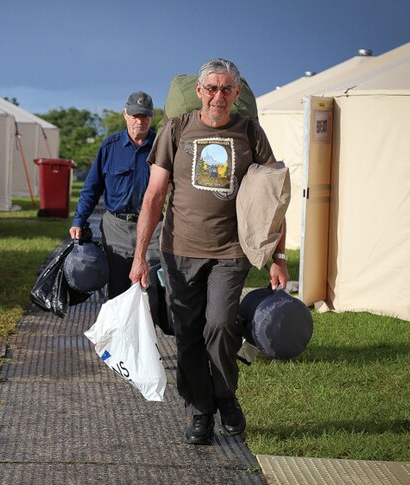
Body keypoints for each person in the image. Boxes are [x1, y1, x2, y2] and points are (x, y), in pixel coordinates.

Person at [129, 58, 289, 445]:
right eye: (212, 88)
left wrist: (279, 257)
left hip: (230, 251)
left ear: (237, 93)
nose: (219, 96)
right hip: (179, 250)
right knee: (187, 334)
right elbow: (154, 196)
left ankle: (225, 396)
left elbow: (275, 196)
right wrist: (139, 257)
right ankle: (200, 410)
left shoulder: (250, 131)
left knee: (218, 325)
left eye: (226, 89)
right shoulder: (177, 129)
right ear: (199, 92)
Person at [70, 91, 163, 299]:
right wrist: (79, 220)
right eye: (135, 116)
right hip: (117, 227)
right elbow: (91, 188)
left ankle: (149, 328)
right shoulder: (109, 147)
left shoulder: (162, 147)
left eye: (145, 116)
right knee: (119, 288)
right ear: (125, 114)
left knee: (152, 286)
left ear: (152, 116)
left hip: (154, 227)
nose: (140, 121)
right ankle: (119, 332)